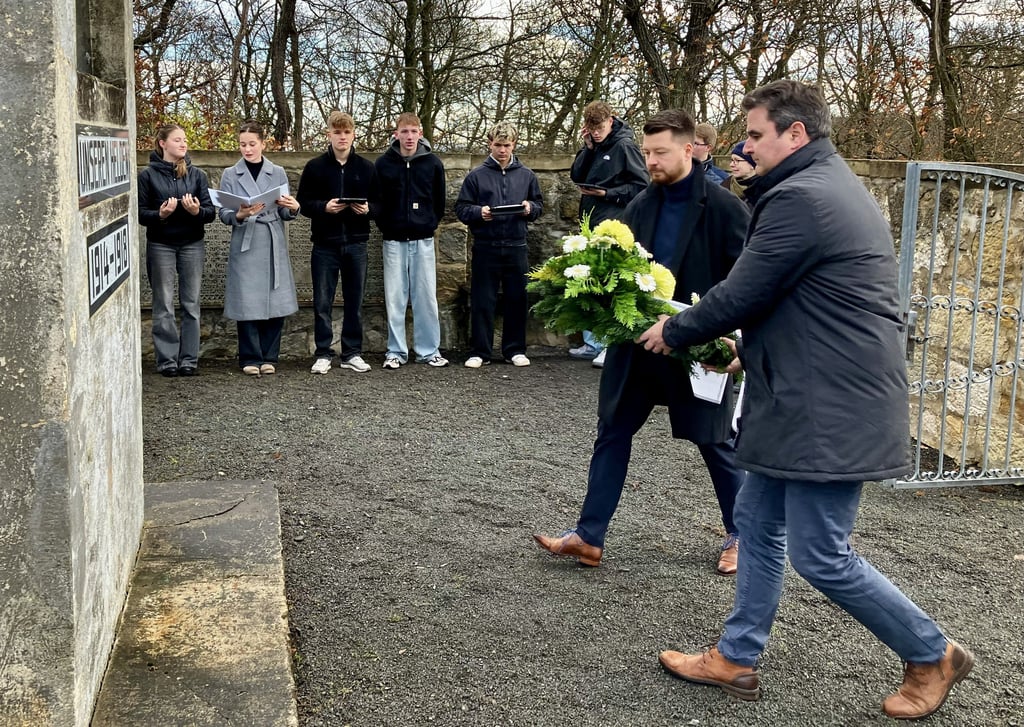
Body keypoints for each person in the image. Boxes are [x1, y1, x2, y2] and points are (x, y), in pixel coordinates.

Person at [637, 80, 973, 719]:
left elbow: (743, 292)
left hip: (830, 404)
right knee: (759, 527)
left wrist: (673, 329)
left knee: (822, 553)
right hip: (803, 391)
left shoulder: (803, 197)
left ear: (796, 134)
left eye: (756, 135)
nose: (746, 147)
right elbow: (807, 298)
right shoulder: (822, 186)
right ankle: (737, 658)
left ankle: (933, 653)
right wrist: (749, 351)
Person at [533, 108, 750, 575]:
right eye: (646, 152)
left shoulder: (726, 208)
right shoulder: (638, 207)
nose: (649, 160)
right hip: (637, 343)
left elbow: (744, 284)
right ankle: (589, 537)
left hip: (697, 346)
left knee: (716, 443)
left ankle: (743, 536)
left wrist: (711, 333)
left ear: (689, 148)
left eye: (659, 152)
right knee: (612, 432)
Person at [455, 122, 543, 368]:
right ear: (489, 144)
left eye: (507, 145)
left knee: (517, 299)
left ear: (514, 145)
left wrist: (529, 208)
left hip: (516, 245)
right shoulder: (476, 176)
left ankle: (514, 349)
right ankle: (480, 351)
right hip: (486, 245)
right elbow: (461, 209)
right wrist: (478, 212)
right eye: (497, 145)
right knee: (483, 299)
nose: (502, 150)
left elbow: (538, 205)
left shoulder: (526, 175)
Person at [568, 101, 649, 367]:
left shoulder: (625, 145)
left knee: (611, 283)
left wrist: (608, 194)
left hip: (614, 222)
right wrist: (589, 149)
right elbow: (576, 175)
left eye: (600, 127)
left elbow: (641, 186)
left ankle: (610, 344)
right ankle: (593, 342)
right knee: (590, 279)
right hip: (590, 219)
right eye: (591, 128)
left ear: (611, 121)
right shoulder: (594, 143)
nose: (596, 132)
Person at [297, 111, 378, 375]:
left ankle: (351, 353)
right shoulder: (315, 167)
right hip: (324, 244)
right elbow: (304, 204)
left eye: (347, 132)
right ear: (329, 134)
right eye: (337, 132)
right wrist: (324, 207)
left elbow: (381, 203)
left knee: (355, 300)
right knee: (323, 301)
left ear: (354, 135)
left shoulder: (367, 168)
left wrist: (368, 210)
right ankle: (323, 352)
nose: (342, 137)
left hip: (357, 243)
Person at [218, 120, 300, 376]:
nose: (247, 149)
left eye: (252, 144)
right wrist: (240, 215)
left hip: (271, 238)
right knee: (247, 300)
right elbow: (223, 212)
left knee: (276, 298)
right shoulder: (230, 174)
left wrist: (293, 207)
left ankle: (270, 355)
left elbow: (285, 211)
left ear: (263, 144)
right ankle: (250, 357)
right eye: (243, 144)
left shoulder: (278, 172)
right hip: (246, 241)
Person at [138, 124, 216, 377]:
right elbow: (140, 214)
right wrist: (161, 214)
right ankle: (167, 360)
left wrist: (195, 212)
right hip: (161, 244)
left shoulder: (197, 175)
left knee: (191, 303)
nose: (183, 144)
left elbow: (209, 213)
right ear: (163, 143)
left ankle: (189, 359)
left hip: (192, 244)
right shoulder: (147, 176)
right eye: (178, 140)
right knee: (164, 303)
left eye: (185, 140)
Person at [371, 112, 449, 369]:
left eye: (413, 131)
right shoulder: (383, 164)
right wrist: (387, 225)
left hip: (423, 239)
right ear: (396, 134)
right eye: (404, 132)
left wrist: (428, 223)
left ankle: (428, 351)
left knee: (425, 296)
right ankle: (396, 351)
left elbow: (439, 202)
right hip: (393, 241)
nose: (409, 136)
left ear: (421, 134)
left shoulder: (432, 164)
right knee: (395, 297)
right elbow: (378, 201)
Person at [724, 142, 759, 208]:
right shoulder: (724, 187)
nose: (731, 164)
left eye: (737, 160)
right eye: (732, 160)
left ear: (752, 164)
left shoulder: (764, 190)